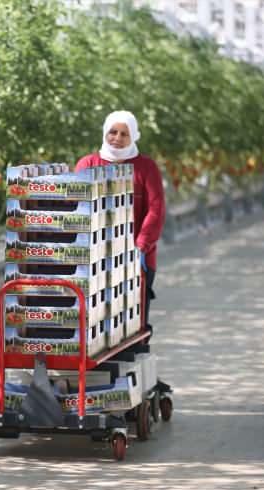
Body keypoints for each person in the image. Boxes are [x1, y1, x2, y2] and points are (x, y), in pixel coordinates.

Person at [75, 110, 165, 332]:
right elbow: (76, 206)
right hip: (94, 257)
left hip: (136, 256)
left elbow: (156, 209)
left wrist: (141, 246)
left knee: (130, 318)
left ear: (133, 136)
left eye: (124, 133)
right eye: (113, 132)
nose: (117, 137)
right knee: (95, 317)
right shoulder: (88, 164)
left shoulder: (145, 167)